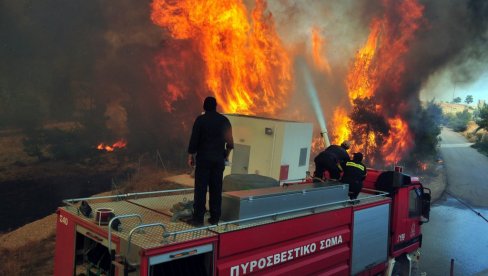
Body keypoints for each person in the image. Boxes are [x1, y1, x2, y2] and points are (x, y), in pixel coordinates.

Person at [187, 96, 234, 226]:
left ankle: (198, 219)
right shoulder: (224, 121)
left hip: (204, 160)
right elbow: (230, 144)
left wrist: (191, 155)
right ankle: (214, 218)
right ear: (216, 106)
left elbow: (194, 139)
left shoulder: (201, 120)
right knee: (216, 189)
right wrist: (226, 156)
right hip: (218, 161)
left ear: (204, 106)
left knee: (200, 189)